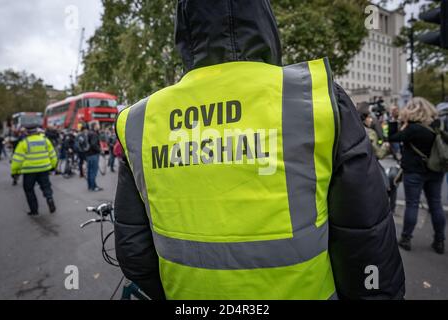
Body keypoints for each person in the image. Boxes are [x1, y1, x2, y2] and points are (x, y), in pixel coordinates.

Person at [113, 0, 404, 300]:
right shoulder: (313, 96)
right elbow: (365, 237)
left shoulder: (140, 120)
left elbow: (134, 248)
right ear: (264, 23)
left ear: (184, 31)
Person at [389, 97, 446, 254]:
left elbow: (392, 137)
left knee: (412, 204)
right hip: (435, 170)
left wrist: (393, 119)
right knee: (435, 204)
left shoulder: (413, 129)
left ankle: (406, 239)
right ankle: (440, 241)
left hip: (414, 171)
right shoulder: (436, 126)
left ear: (412, 109)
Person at [10, 124, 57, 215]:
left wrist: (15, 172)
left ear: (27, 132)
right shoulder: (45, 140)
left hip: (29, 171)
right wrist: (53, 166)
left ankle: (34, 210)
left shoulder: (23, 143)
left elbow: (17, 160)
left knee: (29, 190)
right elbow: (53, 155)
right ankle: (49, 199)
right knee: (46, 186)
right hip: (44, 169)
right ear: (37, 131)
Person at [86, 121, 102, 191]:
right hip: (94, 154)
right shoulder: (94, 134)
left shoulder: (89, 133)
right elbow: (93, 144)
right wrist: (100, 150)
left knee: (89, 171)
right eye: (98, 124)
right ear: (95, 126)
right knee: (93, 172)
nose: (99, 126)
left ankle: (90, 186)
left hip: (89, 154)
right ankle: (93, 187)